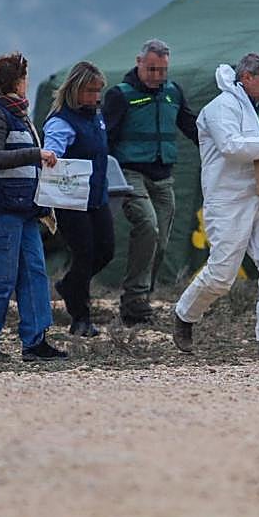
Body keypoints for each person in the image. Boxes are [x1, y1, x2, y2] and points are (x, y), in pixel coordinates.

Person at [171, 53, 259, 360]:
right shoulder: (221, 107)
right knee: (222, 275)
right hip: (228, 200)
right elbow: (231, 146)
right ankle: (184, 314)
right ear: (246, 78)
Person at [0, 52, 67, 361]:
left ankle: (35, 341)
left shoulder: (18, 114)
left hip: (23, 209)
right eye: (24, 78)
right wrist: (35, 154)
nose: (27, 83)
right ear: (15, 81)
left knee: (35, 274)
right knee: (1, 279)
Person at [102, 38, 198, 326]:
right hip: (131, 174)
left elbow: (192, 126)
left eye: (163, 70)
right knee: (148, 226)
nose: (157, 76)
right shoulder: (120, 95)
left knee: (163, 242)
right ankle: (134, 300)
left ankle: (140, 299)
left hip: (163, 176)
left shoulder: (173, 92)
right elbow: (106, 138)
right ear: (139, 62)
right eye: (152, 69)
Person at [43, 61, 113, 338]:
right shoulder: (61, 121)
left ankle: (69, 285)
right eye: (90, 91)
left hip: (97, 195)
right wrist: (50, 155)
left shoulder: (96, 116)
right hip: (70, 200)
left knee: (106, 251)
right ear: (75, 89)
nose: (96, 97)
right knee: (83, 254)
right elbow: (52, 152)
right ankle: (80, 318)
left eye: (98, 91)